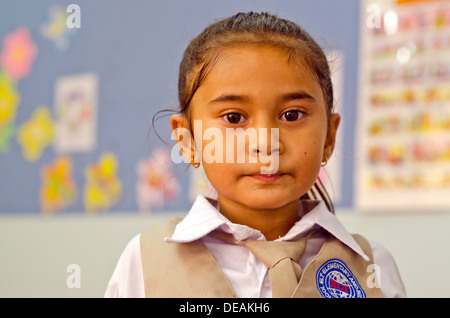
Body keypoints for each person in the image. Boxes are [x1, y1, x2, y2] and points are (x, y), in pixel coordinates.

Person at [104, 11, 406, 298]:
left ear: (329, 136)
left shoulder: (373, 268)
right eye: (234, 118)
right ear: (187, 141)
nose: (265, 143)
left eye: (292, 115)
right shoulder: (144, 261)